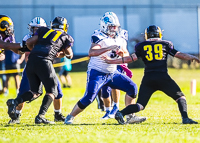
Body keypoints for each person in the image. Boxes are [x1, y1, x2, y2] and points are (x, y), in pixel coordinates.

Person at [102, 25, 200, 124]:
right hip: (162, 77)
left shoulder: (141, 46)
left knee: (140, 105)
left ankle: (121, 113)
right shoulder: (165, 44)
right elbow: (180, 55)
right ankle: (185, 118)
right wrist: (192, 57)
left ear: (147, 35)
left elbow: (130, 59)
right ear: (159, 34)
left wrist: (111, 61)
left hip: (148, 78)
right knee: (180, 97)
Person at [64, 12, 146, 124]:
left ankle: (130, 116)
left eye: (115, 26)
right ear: (104, 26)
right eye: (111, 26)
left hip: (113, 73)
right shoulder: (99, 36)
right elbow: (92, 52)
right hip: (97, 72)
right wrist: (108, 48)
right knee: (89, 98)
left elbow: (126, 55)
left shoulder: (121, 37)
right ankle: (70, 117)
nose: (114, 29)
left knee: (132, 88)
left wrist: (122, 54)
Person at [4, 16, 74, 124]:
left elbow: (29, 43)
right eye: (34, 28)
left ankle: (15, 102)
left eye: (38, 28)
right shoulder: (63, 36)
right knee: (52, 91)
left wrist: (36, 50)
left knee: (36, 92)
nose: (36, 30)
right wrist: (63, 54)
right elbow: (70, 54)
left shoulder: (45, 33)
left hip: (34, 62)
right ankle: (37, 116)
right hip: (44, 63)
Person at [0, 15, 23, 95]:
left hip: (13, 62)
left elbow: (15, 49)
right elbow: (5, 45)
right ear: (2, 26)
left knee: (15, 77)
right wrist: (22, 45)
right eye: (8, 27)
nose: (10, 29)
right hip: (8, 62)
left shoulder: (8, 36)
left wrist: (28, 49)